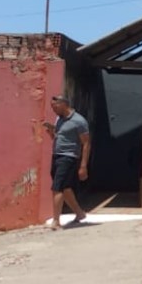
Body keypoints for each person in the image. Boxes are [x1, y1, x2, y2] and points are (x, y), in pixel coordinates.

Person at [42, 95, 90, 229]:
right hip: (56, 156)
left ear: (64, 104)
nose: (53, 110)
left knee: (57, 188)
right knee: (65, 188)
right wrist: (51, 131)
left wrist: (83, 165)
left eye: (55, 106)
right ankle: (80, 214)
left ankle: (56, 221)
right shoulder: (59, 119)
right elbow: (57, 136)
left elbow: (86, 144)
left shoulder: (79, 121)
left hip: (69, 157)